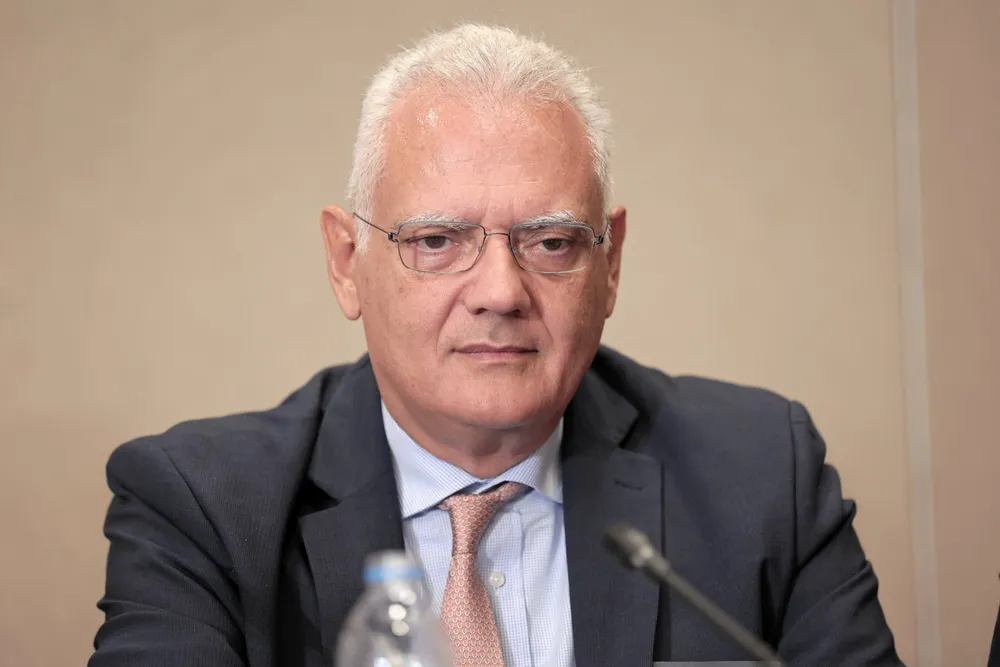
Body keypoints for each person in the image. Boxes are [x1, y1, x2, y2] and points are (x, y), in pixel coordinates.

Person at [89, 23, 903, 667]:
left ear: (610, 264)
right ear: (346, 262)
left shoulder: (762, 477)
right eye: (436, 240)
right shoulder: (202, 506)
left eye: (550, 241)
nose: (501, 291)